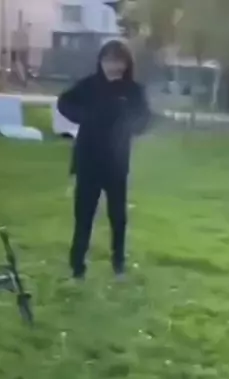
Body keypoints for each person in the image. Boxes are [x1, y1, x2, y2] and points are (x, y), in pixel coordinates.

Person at [57, 39, 151, 280]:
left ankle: (118, 264)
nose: (113, 66)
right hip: (88, 160)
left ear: (126, 64)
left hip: (116, 163)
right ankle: (77, 267)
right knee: (84, 216)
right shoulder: (88, 86)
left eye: (118, 61)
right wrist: (83, 116)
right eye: (108, 60)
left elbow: (144, 118)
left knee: (118, 217)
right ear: (100, 62)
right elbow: (64, 102)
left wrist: (132, 126)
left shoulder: (133, 91)